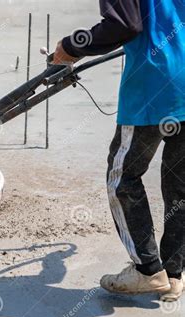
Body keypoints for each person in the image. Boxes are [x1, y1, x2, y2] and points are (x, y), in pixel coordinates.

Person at [53, 0, 184, 301]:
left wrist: (73, 46)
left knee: (122, 177)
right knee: (180, 184)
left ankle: (148, 270)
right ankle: (175, 273)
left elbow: (124, 25)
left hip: (153, 86)